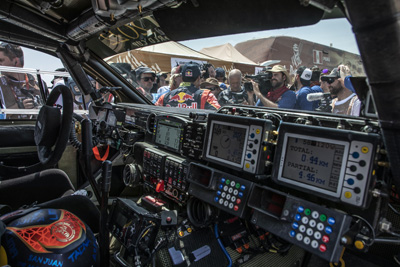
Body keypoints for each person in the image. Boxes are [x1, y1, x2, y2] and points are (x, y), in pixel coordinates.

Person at [155, 62, 220, 110]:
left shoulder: (164, 97)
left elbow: (153, 111)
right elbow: (219, 113)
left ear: (182, 78)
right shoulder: (206, 95)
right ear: (198, 78)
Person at [0, 43, 41, 110]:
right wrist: (19, 106)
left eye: (1, 60)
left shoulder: (38, 83)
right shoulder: (1, 84)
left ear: (16, 61)